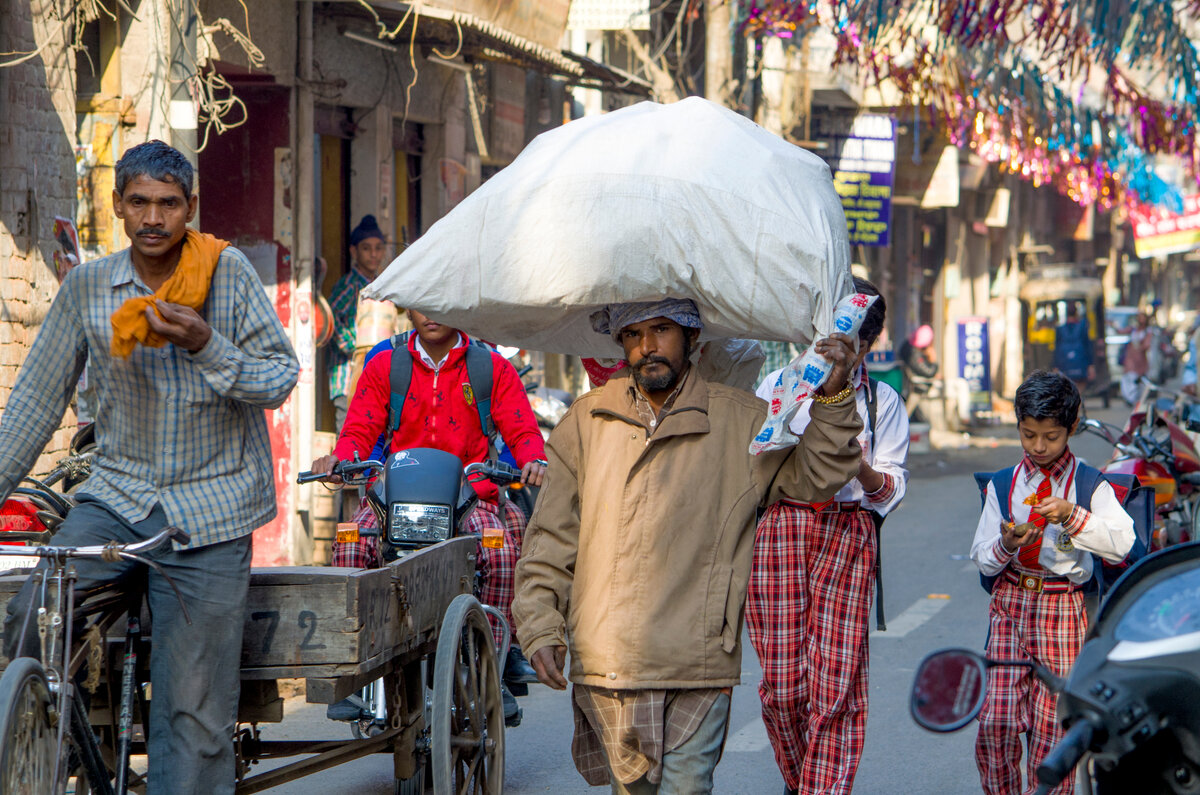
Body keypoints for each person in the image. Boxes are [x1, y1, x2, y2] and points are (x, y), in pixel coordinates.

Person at [1, 140, 299, 794]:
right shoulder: (88, 288)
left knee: (193, 711)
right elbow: (35, 401)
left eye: (169, 203)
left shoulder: (229, 277)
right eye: (140, 202)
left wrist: (205, 345)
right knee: (28, 617)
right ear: (117, 207)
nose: (154, 217)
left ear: (189, 209)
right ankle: (55, 747)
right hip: (116, 497)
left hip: (210, 512)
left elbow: (280, 377)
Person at [512, 298, 864, 794]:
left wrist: (834, 396)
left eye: (661, 329)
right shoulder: (586, 423)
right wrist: (540, 625)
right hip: (608, 658)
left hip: (697, 659)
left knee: (687, 788)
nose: (647, 346)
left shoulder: (742, 421)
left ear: (693, 338)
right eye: (633, 335)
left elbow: (818, 475)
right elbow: (550, 537)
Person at [309, 307, 547, 721]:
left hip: (468, 496)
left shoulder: (490, 367)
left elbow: (522, 430)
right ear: (407, 309)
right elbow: (359, 431)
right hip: (395, 496)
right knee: (351, 545)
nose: (431, 314)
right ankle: (350, 671)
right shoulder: (386, 363)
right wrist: (340, 459)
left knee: (503, 553)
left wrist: (533, 460)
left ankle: (493, 662)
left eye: (440, 304)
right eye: (421, 304)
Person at [747, 278, 910, 795]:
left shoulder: (882, 402)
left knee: (836, 682)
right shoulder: (776, 385)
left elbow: (890, 490)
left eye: (853, 338)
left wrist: (858, 467)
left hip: (847, 534)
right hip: (781, 530)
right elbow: (754, 466)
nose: (839, 345)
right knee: (783, 687)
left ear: (867, 345)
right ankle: (807, 783)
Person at [970, 370, 1135, 795]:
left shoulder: (1088, 484)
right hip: (1010, 605)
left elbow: (1121, 544)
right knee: (995, 724)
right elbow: (984, 561)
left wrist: (1072, 516)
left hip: (1064, 611)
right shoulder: (1004, 484)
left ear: (1072, 427)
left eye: (1051, 437)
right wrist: (1005, 544)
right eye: (1029, 435)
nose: (1039, 447)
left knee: (1051, 731)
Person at [328, 214, 388, 431]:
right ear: (354, 251)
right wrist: (359, 349)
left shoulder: (379, 286)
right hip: (347, 381)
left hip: (375, 382)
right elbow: (332, 323)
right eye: (366, 248)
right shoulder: (349, 286)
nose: (374, 254)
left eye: (378, 248)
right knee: (348, 444)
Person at [899, 324, 938, 421]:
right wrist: (933, 361)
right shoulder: (914, 354)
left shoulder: (911, 350)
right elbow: (929, 372)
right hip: (919, 386)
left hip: (915, 385)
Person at [1052, 301, 1094, 393]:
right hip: (1080, 360)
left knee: (1067, 386)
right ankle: (1078, 401)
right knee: (1080, 387)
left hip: (1064, 362)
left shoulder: (1060, 329)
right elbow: (1087, 346)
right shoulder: (1083, 327)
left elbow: (1057, 348)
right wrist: (1090, 365)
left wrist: (1055, 365)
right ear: (1076, 313)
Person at [1120, 311, 1152, 405]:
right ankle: (1130, 398)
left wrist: (1140, 348)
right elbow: (1121, 331)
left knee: (1139, 379)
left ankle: (1137, 399)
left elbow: (1147, 344)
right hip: (1131, 358)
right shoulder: (1133, 329)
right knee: (1129, 377)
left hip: (1141, 359)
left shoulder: (1147, 331)